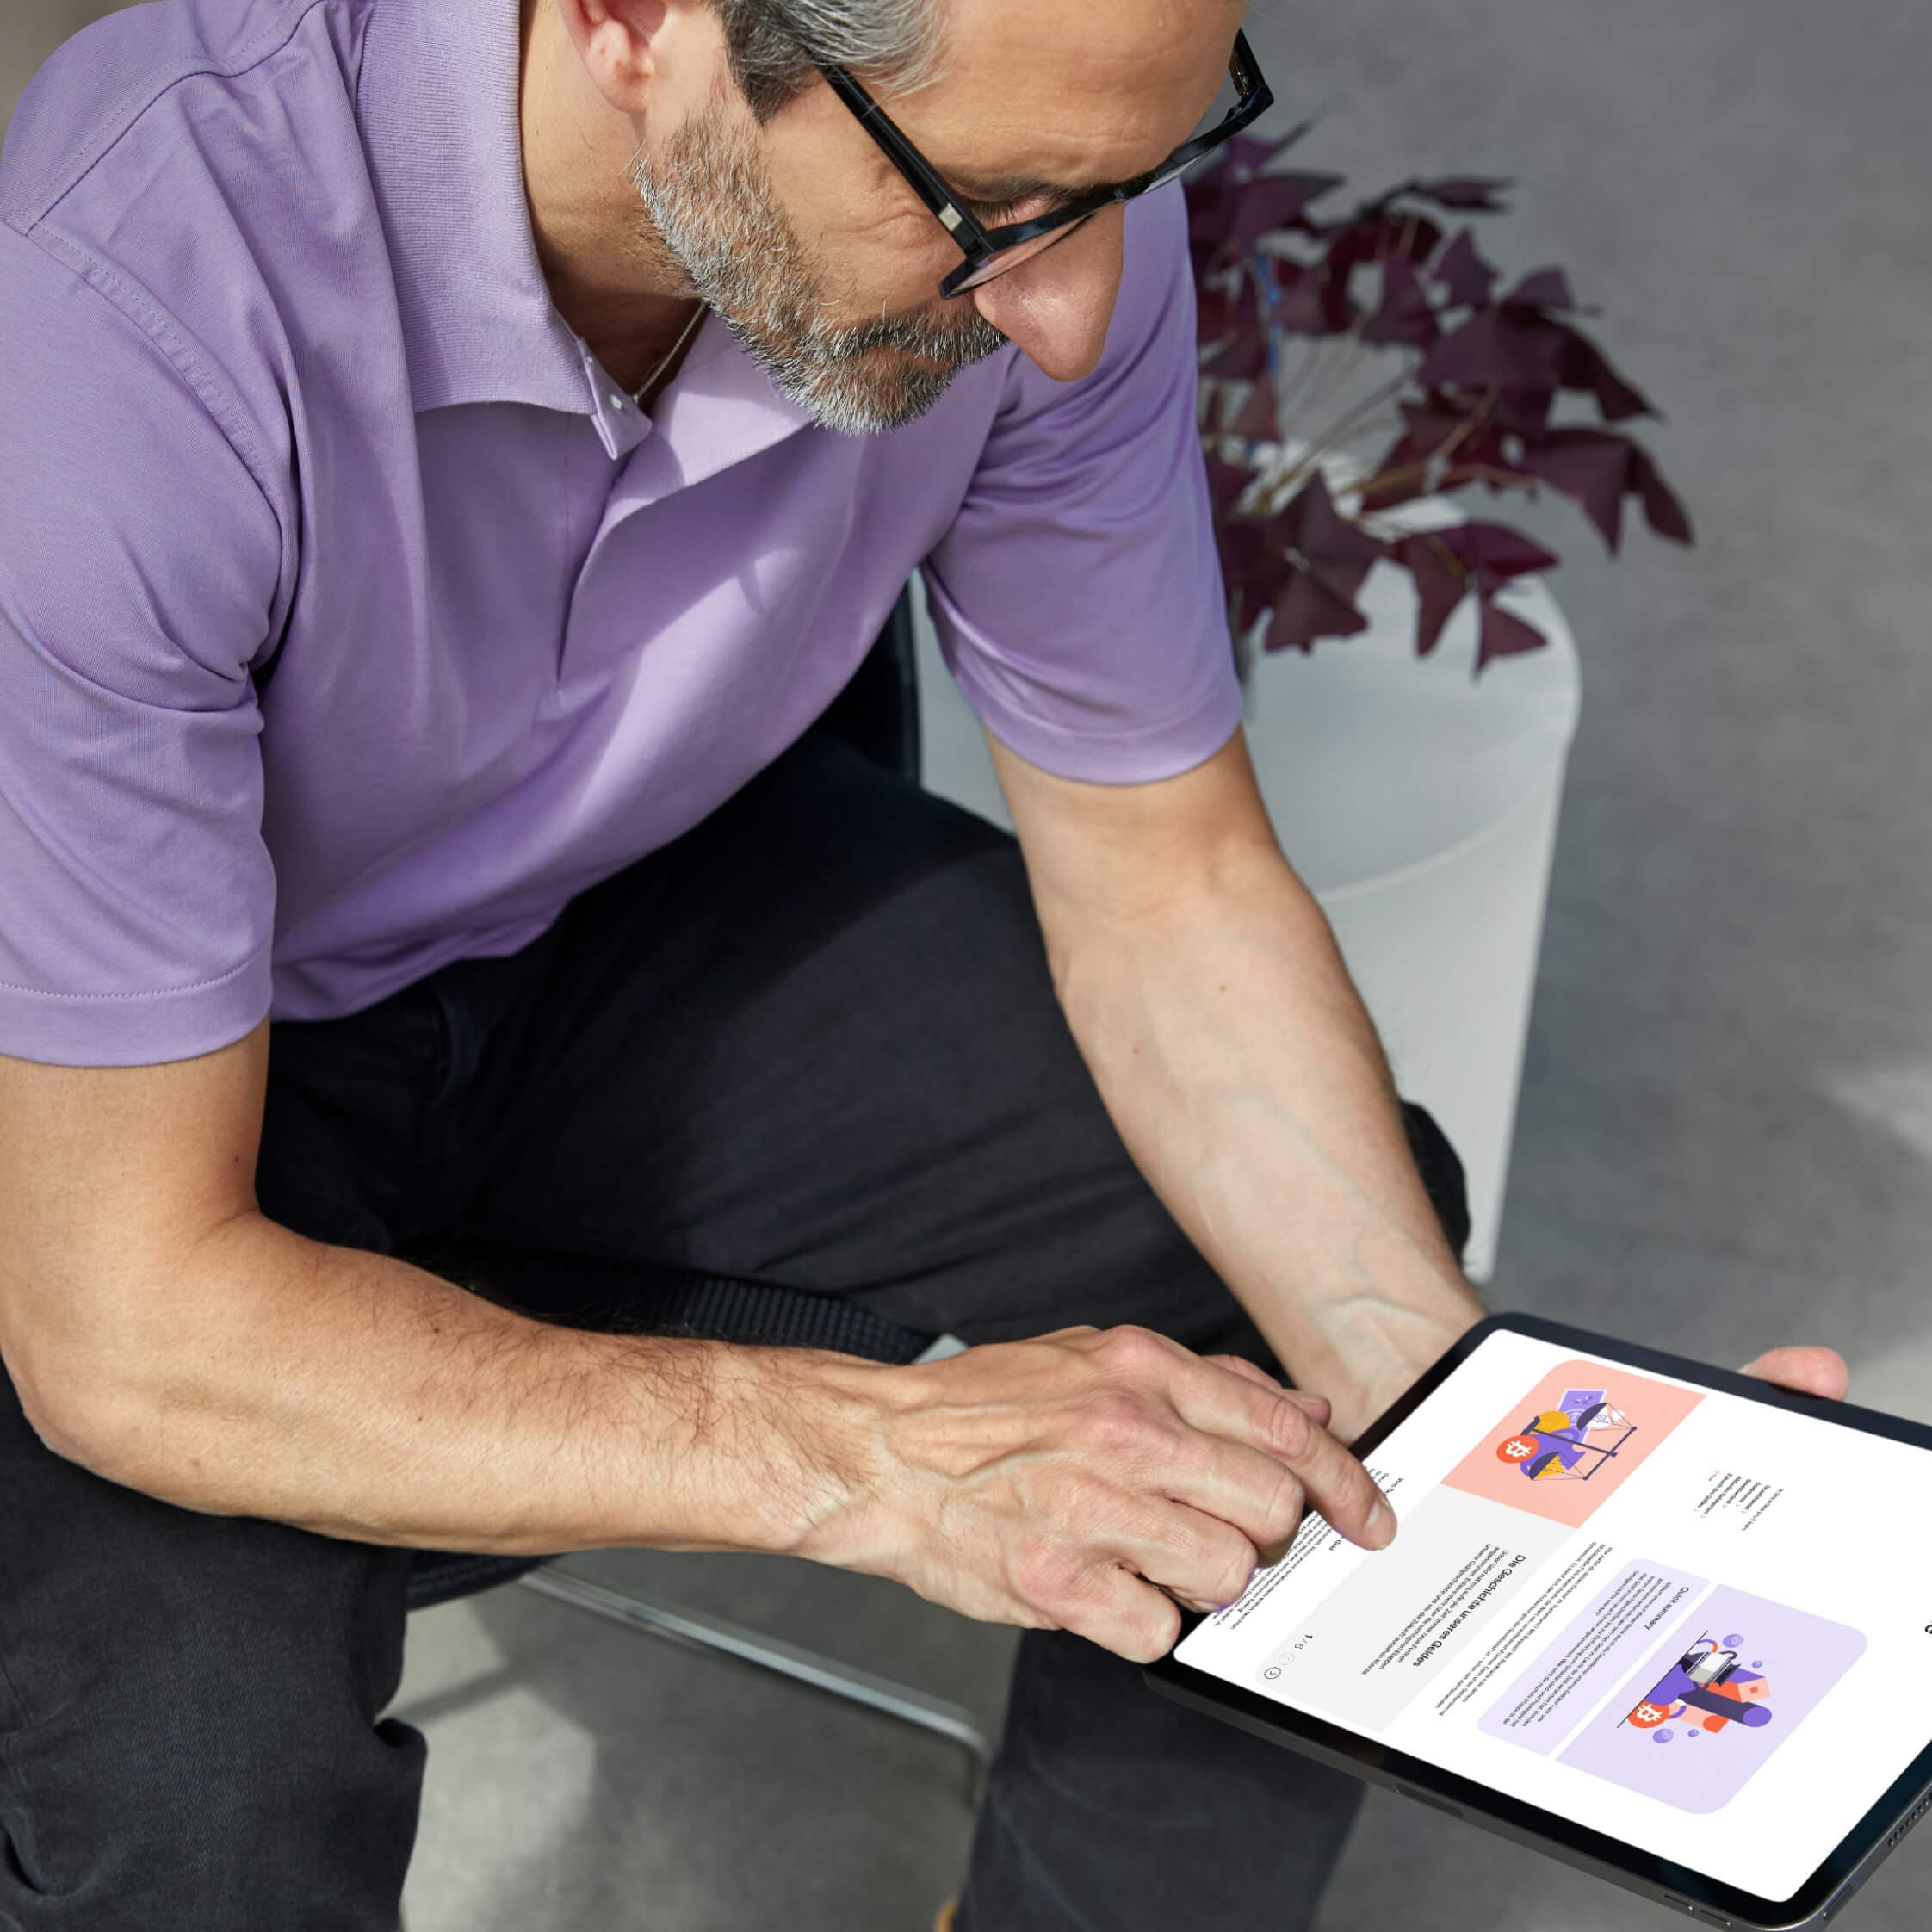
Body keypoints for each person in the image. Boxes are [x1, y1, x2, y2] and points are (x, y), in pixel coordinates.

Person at [0, 0, 1846, 1926]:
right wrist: (885, 1464)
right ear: (641, 25)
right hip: (91, 1102)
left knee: (1298, 1299)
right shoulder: (117, 313)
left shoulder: (1051, 227)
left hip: (581, 923)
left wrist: (1479, 1435)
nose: (1071, 313)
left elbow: (1166, 876)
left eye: (1131, 180)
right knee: (197, 1784)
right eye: (992, 211)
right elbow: (128, 1328)